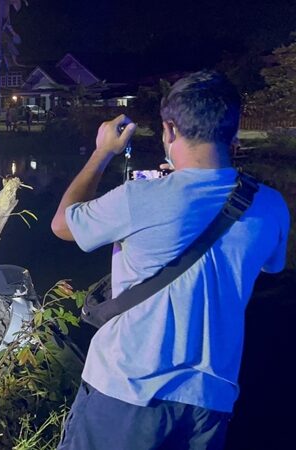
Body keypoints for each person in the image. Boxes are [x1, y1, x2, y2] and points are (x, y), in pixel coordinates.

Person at [51, 71, 289, 449]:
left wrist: (103, 152)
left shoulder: (139, 198)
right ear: (232, 130)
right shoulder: (271, 206)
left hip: (126, 393)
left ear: (170, 130)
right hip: (209, 403)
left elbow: (64, 224)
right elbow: (270, 266)